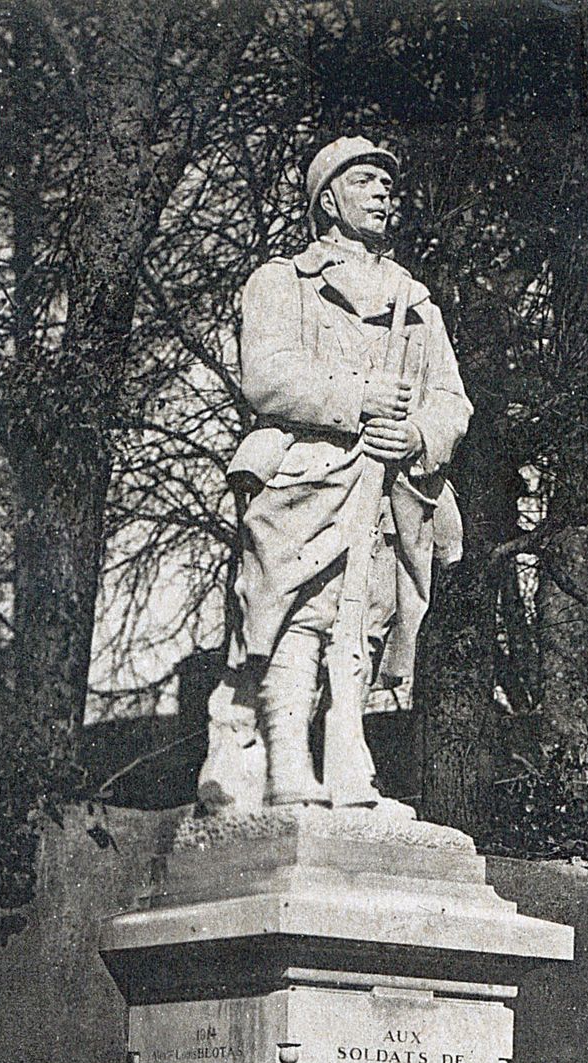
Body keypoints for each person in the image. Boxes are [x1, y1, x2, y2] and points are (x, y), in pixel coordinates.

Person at [196, 135, 472, 811]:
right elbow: (268, 376)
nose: (382, 193)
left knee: (367, 620)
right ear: (327, 199)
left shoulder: (417, 302)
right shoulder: (282, 281)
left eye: (387, 183)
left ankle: (350, 761)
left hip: (390, 481)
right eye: (365, 182)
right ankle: (285, 758)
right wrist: (357, 400)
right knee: (293, 610)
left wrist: (411, 433)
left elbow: (450, 399)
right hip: (303, 473)